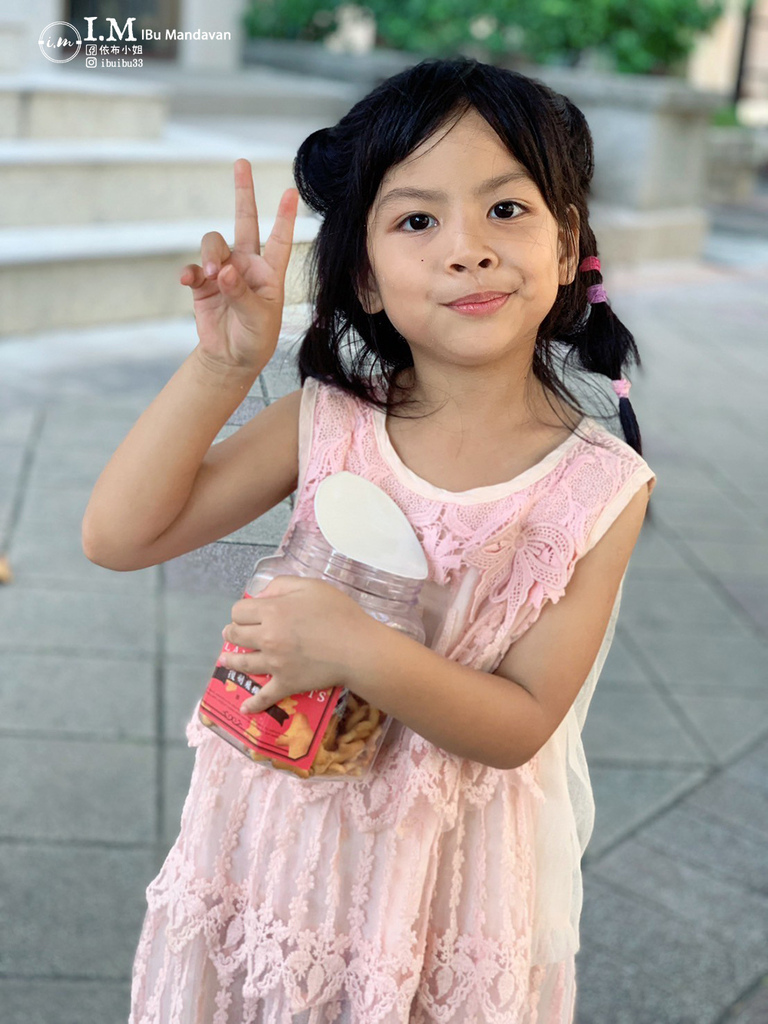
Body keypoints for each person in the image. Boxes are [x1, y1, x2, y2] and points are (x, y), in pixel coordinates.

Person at [83, 56, 656, 1024]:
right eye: (417, 221)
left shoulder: (599, 485)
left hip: (444, 887)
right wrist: (225, 365)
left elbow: (521, 723)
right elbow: (118, 534)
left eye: (505, 209)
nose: (467, 249)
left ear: (567, 248)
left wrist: (353, 646)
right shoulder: (328, 421)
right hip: (275, 844)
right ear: (365, 279)